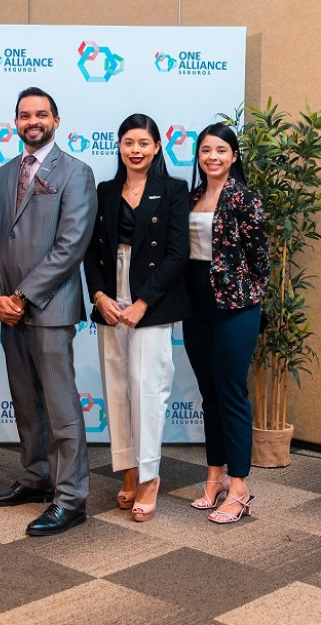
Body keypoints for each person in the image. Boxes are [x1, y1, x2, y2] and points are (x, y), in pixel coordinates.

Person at [0, 87, 97, 536]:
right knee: (26, 403)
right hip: (8, 310)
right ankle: (36, 477)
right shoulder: (0, 174)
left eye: (41, 114)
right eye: (25, 115)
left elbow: (71, 246)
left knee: (61, 405)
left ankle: (70, 498)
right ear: (15, 122)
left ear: (56, 119)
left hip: (49, 307)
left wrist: (23, 296)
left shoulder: (75, 172)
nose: (33, 120)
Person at [83, 113, 190, 522]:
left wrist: (143, 303)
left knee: (147, 388)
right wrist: (99, 296)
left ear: (157, 146)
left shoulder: (173, 190)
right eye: (128, 142)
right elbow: (91, 249)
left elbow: (177, 253)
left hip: (153, 302)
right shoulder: (106, 190)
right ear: (120, 146)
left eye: (143, 143)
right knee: (117, 389)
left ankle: (149, 477)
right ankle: (128, 469)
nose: (135, 150)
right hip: (111, 298)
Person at [183, 122, 269, 523]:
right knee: (209, 393)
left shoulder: (244, 199)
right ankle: (215, 475)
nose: (212, 157)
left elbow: (260, 263)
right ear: (198, 157)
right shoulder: (192, 197)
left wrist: (245, 297)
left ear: (234, 156)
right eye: (205, 150)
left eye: (220, 150)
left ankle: (239, 486)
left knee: (231, 392)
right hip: (196, 302)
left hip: (236, 306)